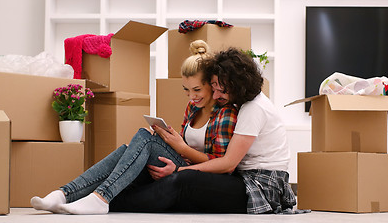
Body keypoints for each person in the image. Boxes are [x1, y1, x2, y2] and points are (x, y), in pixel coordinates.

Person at [30, 40, 238, 215]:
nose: (192, 96)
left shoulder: (225, 114)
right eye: (186, 90)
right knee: (131, 146)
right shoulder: (193, 108)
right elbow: (184, 146)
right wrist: (169, 139)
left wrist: (181, 149)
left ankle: (100, 198)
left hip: (204, 177)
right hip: (183, 162)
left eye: (197, 89)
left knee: (143, 139)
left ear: (211, 85)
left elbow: (221, 164)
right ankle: (64, 194)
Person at [112, 47, 297, 214]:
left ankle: (115, 202)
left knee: (185, 181)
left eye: (222, 91)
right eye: (214, 88)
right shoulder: (237, 103)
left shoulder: (253, 108)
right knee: (172, 181)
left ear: (238, 85)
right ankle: (106, 195)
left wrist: (179, 169)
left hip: (260, 185)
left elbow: (228, 164)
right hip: (241, 177)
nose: (216, 96)